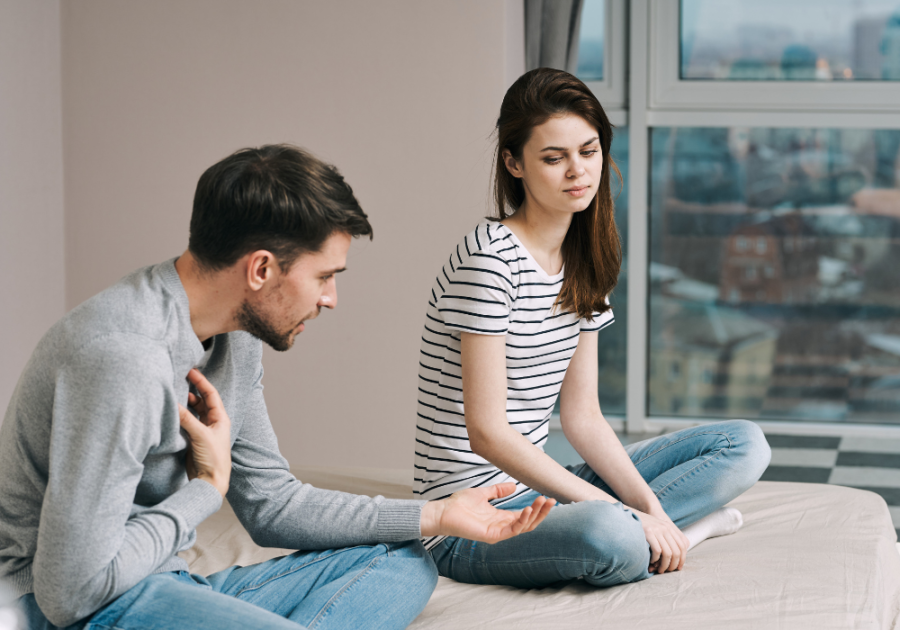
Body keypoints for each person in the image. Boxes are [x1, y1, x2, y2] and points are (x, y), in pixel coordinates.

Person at [0, 144, 555, 630]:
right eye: (324, 276)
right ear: (261, 269)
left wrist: (435, 514)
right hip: (73, 609)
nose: (331, 299)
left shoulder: (233, 335)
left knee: (404, 560)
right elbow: (68, 591)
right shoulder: (125, 356)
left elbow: (273, 505)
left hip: (167, 582)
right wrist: (206, 489)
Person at [413, 68, 772, 588]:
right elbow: (487, 433)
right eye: (553, 158)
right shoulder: (489, 260)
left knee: (745, 445)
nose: (577, 171)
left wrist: (648, 508)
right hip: (470, 520)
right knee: (608, 536)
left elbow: (582, 417)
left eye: (589, 150)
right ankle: (678, 535)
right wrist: (623, 516)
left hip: (540, 490)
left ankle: (664, 531)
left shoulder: (583, 258)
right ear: (514, 163)